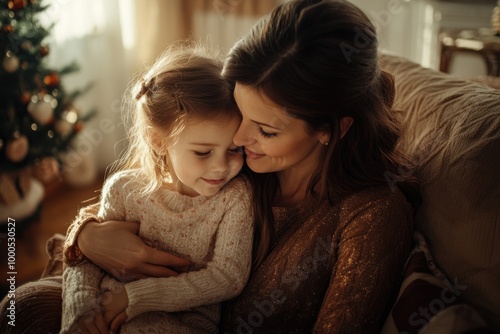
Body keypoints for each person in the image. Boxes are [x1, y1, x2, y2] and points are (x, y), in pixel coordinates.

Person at [0, 0, 420, 333]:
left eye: (266, 130)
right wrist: (86, 238)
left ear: (331, 129)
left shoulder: (372, 215)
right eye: (241, 114)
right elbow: (131, 203)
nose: (237, 140)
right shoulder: (240, 163)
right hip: (122, 298)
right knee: (20, 308)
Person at [60, 45, 255, 334]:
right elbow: (87, 258)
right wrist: (80, 310)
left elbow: (228, 277)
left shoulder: (235, 197)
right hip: (103, 311)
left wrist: (134, 298)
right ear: (158, 141)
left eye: (235, 149)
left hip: (182, 322)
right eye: (203, 152)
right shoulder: (124, 189)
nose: (221, 167)